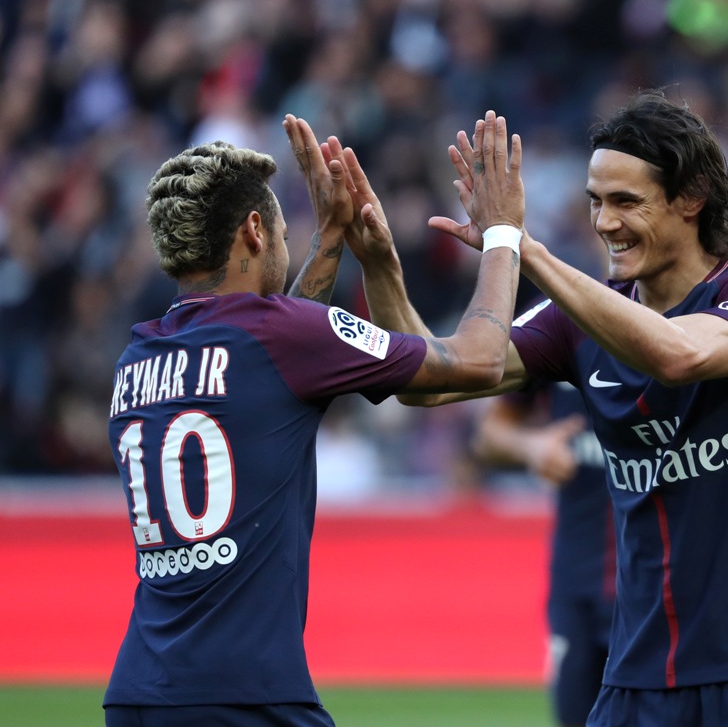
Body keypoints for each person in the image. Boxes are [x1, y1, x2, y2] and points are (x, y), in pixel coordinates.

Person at [330, 88, 728, 727]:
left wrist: (519, 245)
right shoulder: (575, 322)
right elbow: (430, 381)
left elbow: (677, 354)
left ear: (692, 197)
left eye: (626, 201)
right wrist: (380, 266)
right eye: (595, 201)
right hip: (636, 672)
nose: (604, 222)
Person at [103, 109, 525, 726]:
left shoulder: (137, 358)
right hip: (246, 695)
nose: (283, 242)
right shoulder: (281, 337)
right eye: (280, 231)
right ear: (254, 230)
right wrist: (504, 234)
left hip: (138, 693)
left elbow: (273, 368)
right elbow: (480, 361)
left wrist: (329, 238)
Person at [473, 384, 616, 727]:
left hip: (659, 583)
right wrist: (531, 445)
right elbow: (488, 435)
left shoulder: (680, 354)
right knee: (575, 714)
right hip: (577, 577)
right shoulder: (560, 352)